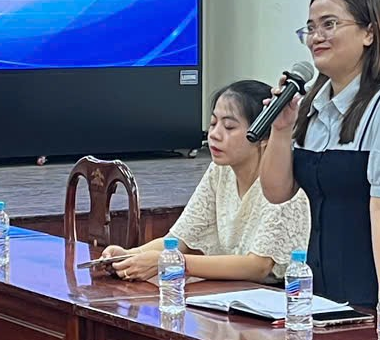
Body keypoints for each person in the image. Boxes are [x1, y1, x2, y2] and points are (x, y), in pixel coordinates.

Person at [257, 0, 380, 312]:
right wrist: (281, 130)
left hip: (379, 289)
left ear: (369, 33)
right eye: (310, 28)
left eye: (329, 24)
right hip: (322, 292)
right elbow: (276, 192)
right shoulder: (311, 107)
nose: (316, 37)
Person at [102, 81, 312, 283]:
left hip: (280, 298)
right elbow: (180, 239)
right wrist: (128, 255)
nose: (214, 134)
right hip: (232, 295)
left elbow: (258, 266)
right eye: (213, 123)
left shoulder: (283, 183)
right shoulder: (220, 171)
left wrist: (174, 262)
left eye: (229, 127)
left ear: (264, 137)